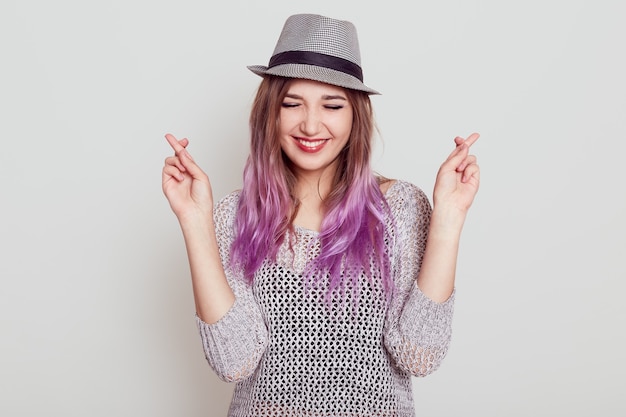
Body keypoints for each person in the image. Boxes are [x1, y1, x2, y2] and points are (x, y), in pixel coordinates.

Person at [162, 13, 479, 417]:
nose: (311, 125)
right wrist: (194, 221)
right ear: (270, 113)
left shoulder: (399, 209)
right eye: (292, 104)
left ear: (355, 116)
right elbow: (233, 362)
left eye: (332, 105)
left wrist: (449, 217)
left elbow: (420, 355)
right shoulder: (234, 215)